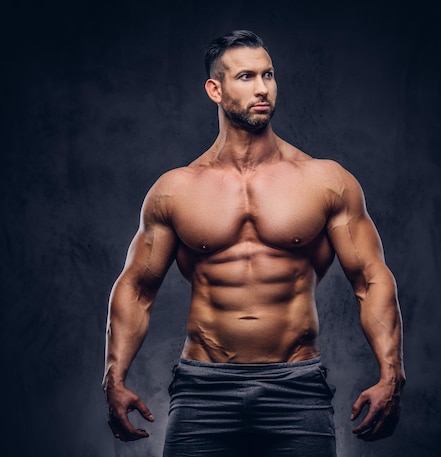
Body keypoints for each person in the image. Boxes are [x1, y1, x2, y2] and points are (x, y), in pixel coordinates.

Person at [102, 29, 405, 457]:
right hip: (203, 390)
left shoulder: (325, 181)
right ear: (215, 89)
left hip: (297, 388)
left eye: (269, 75)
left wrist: (392, 374)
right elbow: (136, 287)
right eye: (246, 77)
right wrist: (114, 377)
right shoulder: (176, 190)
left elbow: (371, 278)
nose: (263, 88)